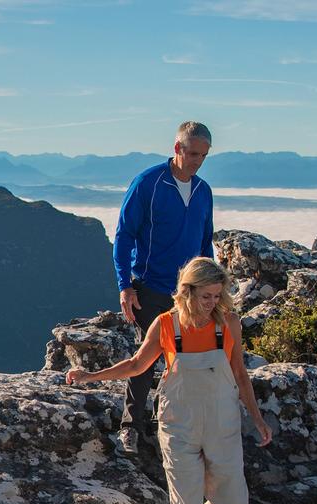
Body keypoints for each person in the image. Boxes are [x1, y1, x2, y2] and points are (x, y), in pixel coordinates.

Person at [66, 257, 271, 504]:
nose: (212, 303)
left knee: (234, 501)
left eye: (216, 296)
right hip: (178, 426)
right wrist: (89, 376)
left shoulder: (230, 325)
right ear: (187, 291)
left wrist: (257, 418)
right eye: (205, 296)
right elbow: (135, 366)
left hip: (222, 424)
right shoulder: (165, 326)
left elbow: (240, 375)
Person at [113, 121, 216, 456]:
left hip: (188, 291)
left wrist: (210, 288)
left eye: (203, 155)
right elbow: (124, 234)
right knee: (147, 357)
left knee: (185, 359)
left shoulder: (203, 191)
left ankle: (170, 425)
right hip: (151, 286)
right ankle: (130, 427)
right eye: (192, 153)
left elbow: (204, 242)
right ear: (177, 148)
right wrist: (125, 286)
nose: (197, 161)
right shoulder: (149, 183)